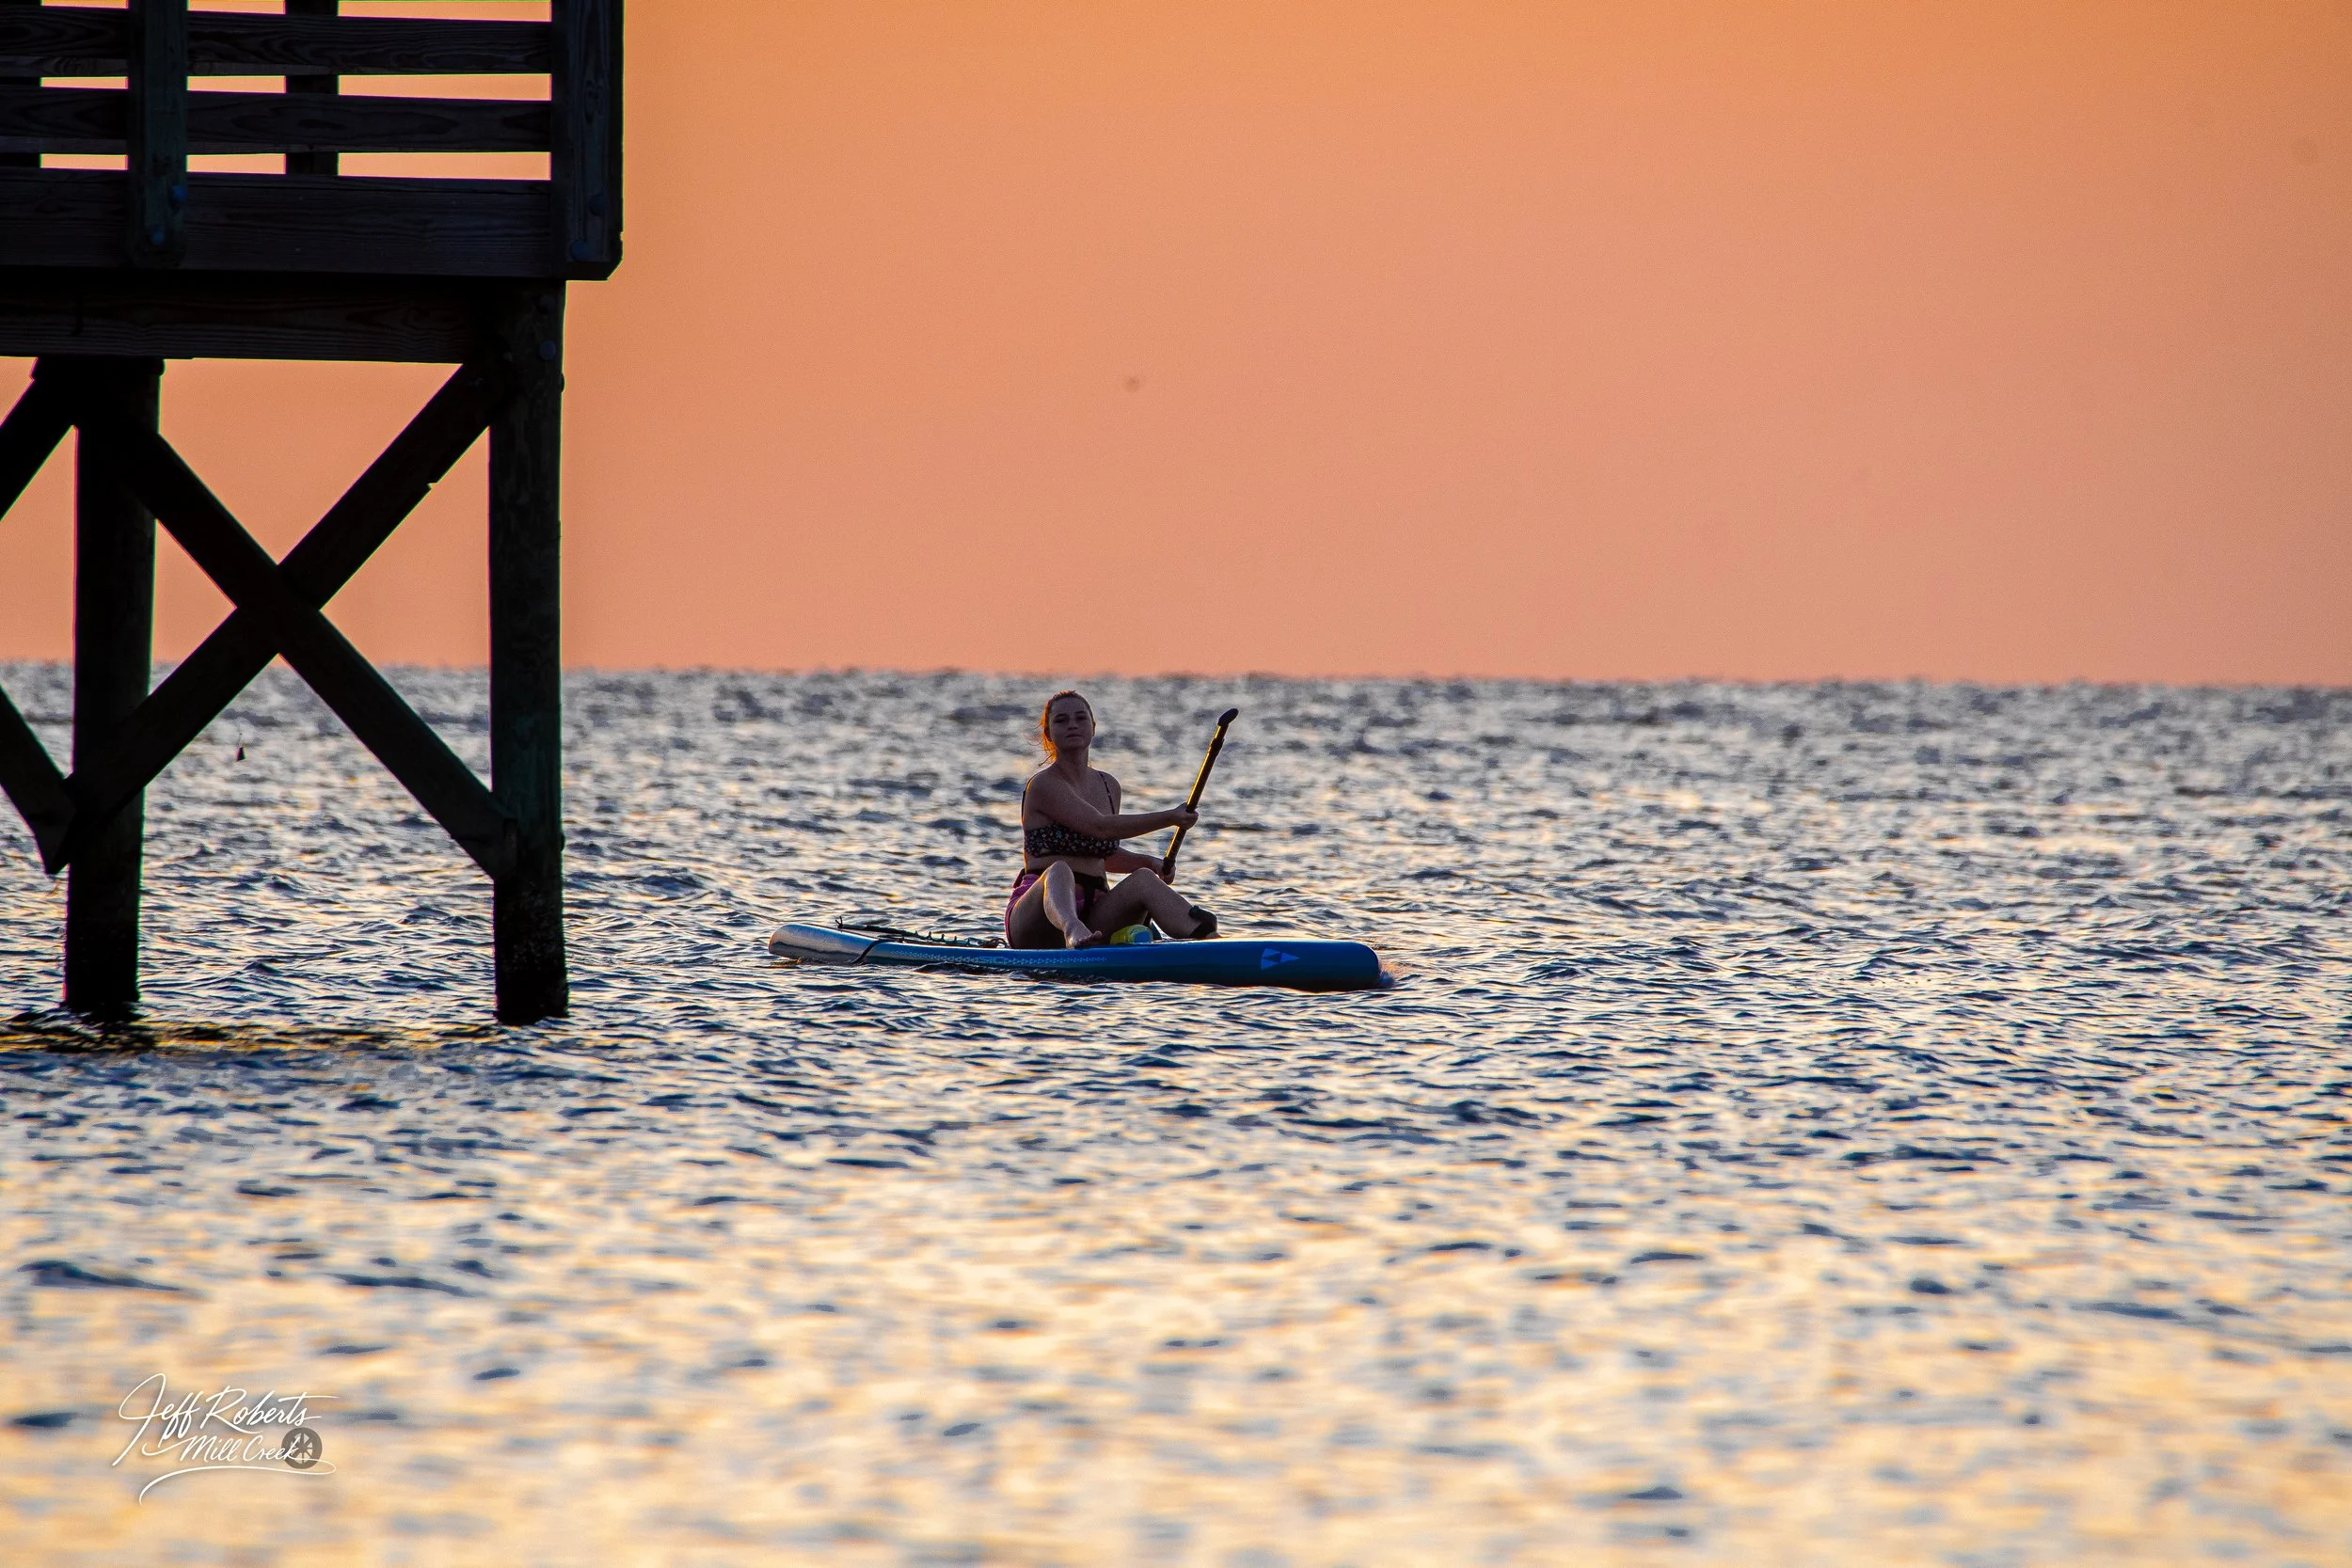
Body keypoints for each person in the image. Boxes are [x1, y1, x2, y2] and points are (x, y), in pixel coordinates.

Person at [1007, 690, 1219, 948]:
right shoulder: (1043, 785)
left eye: (1080, 718)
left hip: (1096, 913)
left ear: (1093, 728)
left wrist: (1149, 863)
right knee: (1059, 869)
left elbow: (1099, 852)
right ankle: (1073, 930)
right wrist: (1171, 817)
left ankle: (1208, 939)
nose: (1072, 724)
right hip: (1039, 917)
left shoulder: (1109, 786)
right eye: (1061, 720)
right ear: (1049, 734)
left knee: (1143, 878)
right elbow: (1099, 828)